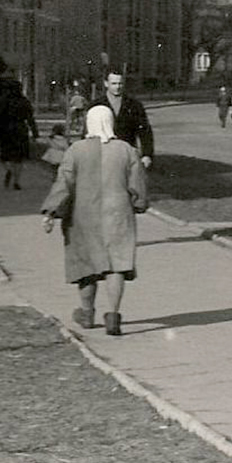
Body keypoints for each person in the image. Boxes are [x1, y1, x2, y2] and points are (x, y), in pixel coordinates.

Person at [40, 104, 149, 336]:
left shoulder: (76, 150)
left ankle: (87, 312)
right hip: (118, 213)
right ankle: (113, 316)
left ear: (89, 123)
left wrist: (51, 211)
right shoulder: (126, 150)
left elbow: (64, 183)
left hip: (83, 214)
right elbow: (137, 184)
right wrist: (139, 204)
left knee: (86, 264)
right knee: (117, 264)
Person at [90, 72, 154, 168]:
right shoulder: (96, 105)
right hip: (102, 155)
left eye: (120, 83)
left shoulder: (134, 105)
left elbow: (145, 131)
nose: (118, 87)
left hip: (127, 155)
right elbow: (88, 131)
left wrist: (147, 154)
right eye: (114, 84)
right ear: (106, 83)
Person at [0, 80, 38, 191]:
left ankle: (9, 170)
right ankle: (16, 181)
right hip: (21, 130)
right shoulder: (24, 102)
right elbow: (30, 118)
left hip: (6, 130)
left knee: (4, 156)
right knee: (19, 158)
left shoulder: (3, 101)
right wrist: (35, 133)